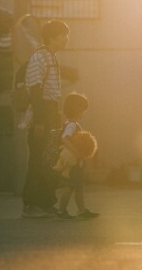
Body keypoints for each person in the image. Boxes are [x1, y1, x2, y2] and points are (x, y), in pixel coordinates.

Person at [21, 19, 69, 218]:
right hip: (44, 111)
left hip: (51, 112)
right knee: (38, 159)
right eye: (63, 36)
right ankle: (32, 204)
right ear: (51, 37)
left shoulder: (51, 56)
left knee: (49, 159)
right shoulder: (40, 56)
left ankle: (45, 202)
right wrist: (40, 121)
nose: (66, 39)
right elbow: (35, 89)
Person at [56, 92, 99, 220]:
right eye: (82, 109)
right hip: (73, 162)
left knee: (77, 186)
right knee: (70, 187)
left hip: (76, 161)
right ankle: (62, 211)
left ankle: (81, 210)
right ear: (77, 109)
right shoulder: (72, 125)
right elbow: (65, 138)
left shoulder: (72, 124)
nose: (83, 112)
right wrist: (77, 153)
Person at [53, 129, 97, 219]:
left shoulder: (70, 153)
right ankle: (80, 211)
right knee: (77, 189)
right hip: (75, 171)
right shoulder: (77, 157)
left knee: (69, 188)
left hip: (69, 172)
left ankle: (62, 211)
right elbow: (64, 138)